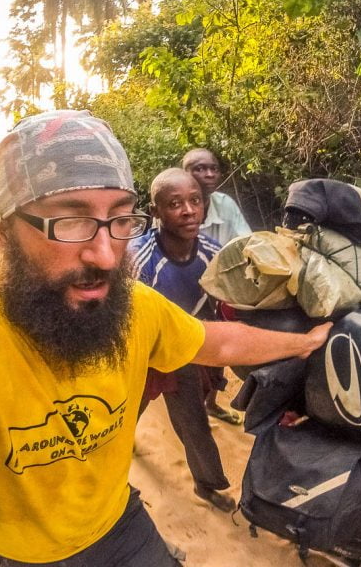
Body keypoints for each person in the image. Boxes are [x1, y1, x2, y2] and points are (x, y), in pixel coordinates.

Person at [0, 110, 331, 567]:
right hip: (16, 554)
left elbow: (216, 342)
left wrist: (302, 343)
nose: (105, 256)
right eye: (70, 220)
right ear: (3, 233)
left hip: (118, 528)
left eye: (120, 219)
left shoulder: (137, 308)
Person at [130, 168, 234, 512]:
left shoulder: (213, 254)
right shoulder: (138, 260)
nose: (189, 211)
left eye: (195, 201)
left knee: (194, 423)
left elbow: (223, 307)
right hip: (142, 354)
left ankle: (207, 485)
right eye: (175, 204)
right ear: (156, 211)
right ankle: (114, 461)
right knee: (124, 413)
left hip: (183, 352)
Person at [181, 148, 252, 425]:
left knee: (219, 344)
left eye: (213, 168)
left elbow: (244, 242)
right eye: (199, 168)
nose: (209, 174)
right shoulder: (174, 201)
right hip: (183, 286)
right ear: (185, 173)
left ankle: (210, 404)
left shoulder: (225, 204)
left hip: (219, 286)